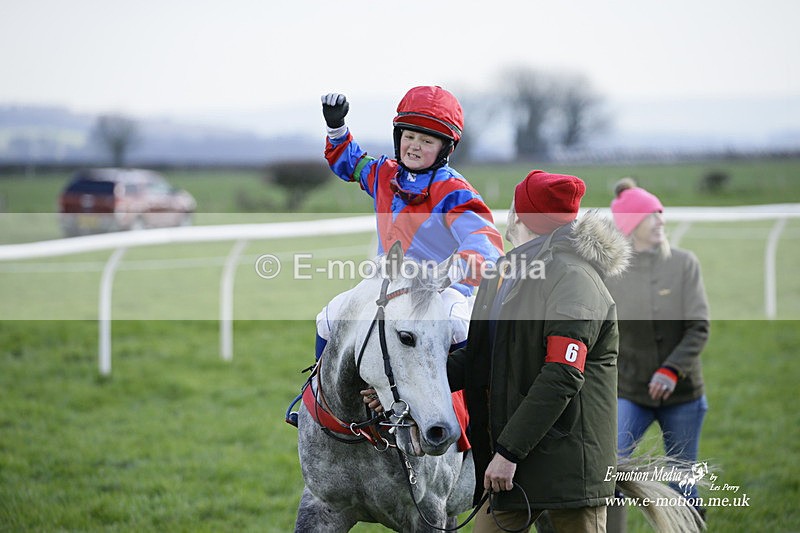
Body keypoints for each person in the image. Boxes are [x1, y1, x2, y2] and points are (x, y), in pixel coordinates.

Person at [286, 86, 504, 428]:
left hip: (438, 288)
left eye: (427, 140)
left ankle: (469, 418)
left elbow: (485, 245)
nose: (415, 145)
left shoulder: (455, 191)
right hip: (385, 284)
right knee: (328, 318)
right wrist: (336, 128)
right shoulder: (384, 173)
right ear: (398, 136)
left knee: (459, 328)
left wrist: (449, 271)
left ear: (445, 148)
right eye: (410, 136)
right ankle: (322, 406)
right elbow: (350, 163)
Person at [445, 170, 631, 532]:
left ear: (522, 217)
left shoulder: (575, 278)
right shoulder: (503, 271)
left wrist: (509, 452)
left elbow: (561, 374)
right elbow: (480, 358)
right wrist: (403, 385)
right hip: (505, 467)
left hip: (566, 476)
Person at [604, 178, 710, 524]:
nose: (661, 220)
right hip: (629, 391)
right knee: (611, 470)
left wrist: (671, 370)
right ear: (632, 225)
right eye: (653, 215)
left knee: (682, 479)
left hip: (683, 394)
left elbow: (699, 328)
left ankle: (689, 525)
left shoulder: (684, 264)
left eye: (661, 213)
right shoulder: (611, 272)